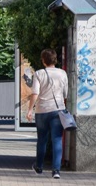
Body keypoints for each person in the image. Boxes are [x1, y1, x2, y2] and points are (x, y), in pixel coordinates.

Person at [25, 48, 70, 178]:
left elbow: (35, 93)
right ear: (55, 59)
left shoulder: (39, 74)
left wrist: (30, 110)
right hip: (58, 110)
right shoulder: (62, 73)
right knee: (57, 139)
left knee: (42, 140)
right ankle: (56, 171)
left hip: (42, 110)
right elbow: (65, 94)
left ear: (43, 60)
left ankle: (39, 167)